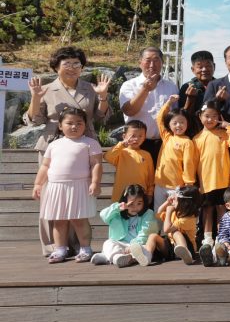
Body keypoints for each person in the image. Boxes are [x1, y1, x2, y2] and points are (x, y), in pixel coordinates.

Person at [33, 107, 103, 263]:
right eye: (69, 123)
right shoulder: (54, 144)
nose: (74, 126)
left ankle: (85, 248)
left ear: (85, 125)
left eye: (79, 123)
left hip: (80, 186)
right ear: (60, 125)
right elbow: (45, 166)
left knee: (79, 220)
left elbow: (96, 164)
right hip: (56, 187)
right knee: (58, 220)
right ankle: (60, 249)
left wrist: (95, 182)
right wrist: (38, 184)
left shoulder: (90, 143)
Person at [25, 46, 111, 154]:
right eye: (67, 64)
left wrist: (103, 96)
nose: (72, 68)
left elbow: (101, 117)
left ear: (81, 67)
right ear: (56, 67)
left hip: (86, 142)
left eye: (76, 64)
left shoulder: (92, 88)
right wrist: (35, 98)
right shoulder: (44, 90)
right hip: (52, 144)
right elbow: (34, 120)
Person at [119, 47, 178, 164]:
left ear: (162, 63)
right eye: (148, 60)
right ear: (140, 62)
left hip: (165, 143)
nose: (152, 65)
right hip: (137, 143)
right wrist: (145, 89)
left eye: (156, 60)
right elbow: (129, 111)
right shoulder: (129, 85)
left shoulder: (171, 86)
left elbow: (176, 115)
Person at [193, 100, 230, 246]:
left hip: (223, 179)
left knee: (221, 208)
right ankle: (207, 238)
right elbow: (193, 162)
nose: (210, 119)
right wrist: (194, 181)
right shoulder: (197, 138)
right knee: (207, 209)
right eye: (207, 116)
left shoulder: (224, 134)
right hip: (206, 180)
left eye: (214, 116)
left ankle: (221, 236)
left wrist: (229, 127)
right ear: (200, 116)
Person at [91, 185, 157, 267]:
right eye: (131, 204)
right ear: (125, 202)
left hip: (138, 245)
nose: (135, 207)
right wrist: (118, 207)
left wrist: (133, 246)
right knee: (108, 243)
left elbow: (145, 233)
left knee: (144, 248)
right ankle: (118, 257)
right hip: (120, 244)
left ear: (144, 202)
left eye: (139, 203)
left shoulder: (148, 214)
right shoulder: (117, 213)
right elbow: (103, 215)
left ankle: (109, 257)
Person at [153, 95, 198, 209]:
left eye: (182, 122)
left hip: (176, 186)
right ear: (169, 124)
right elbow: (159, 118)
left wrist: (189, 183)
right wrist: (168, 103)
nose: (179, 125)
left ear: (187, 124)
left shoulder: (187, 142)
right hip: (159, 183)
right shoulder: (167, 137)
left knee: (174, 213)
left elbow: (188, 164)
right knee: (158, 211)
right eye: (175, 123)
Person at [103, 120, 154, 203]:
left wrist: (150, 193)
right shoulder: (121, 152)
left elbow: (150, 177)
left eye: (140, 136)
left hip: (139, 197)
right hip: (120, 196)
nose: (136, 139)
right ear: (124, 136)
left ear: (145, 137)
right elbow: (107, 157)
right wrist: (121, 145)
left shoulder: (147, 155)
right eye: (133, 136)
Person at [157, 185, 201, 265]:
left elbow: (166, 229)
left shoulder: (188, 219)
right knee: (153, 236)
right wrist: (167, 202)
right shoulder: (175, 212)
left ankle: (185, 251)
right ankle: (147, 255)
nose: (172, 201)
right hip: (173, 246)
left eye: (175, 200)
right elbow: (159, 212)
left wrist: (168, 212)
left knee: (175, 232)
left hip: (189, 248)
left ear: (185, 204)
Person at [178, 50, 215, 117]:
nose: (204, 69)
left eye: (208, 66)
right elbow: (181, 116)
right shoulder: (186, 87)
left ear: (214, 66)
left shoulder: (220, 86)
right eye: (200, 67)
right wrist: (190, 99)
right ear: (193, 69)